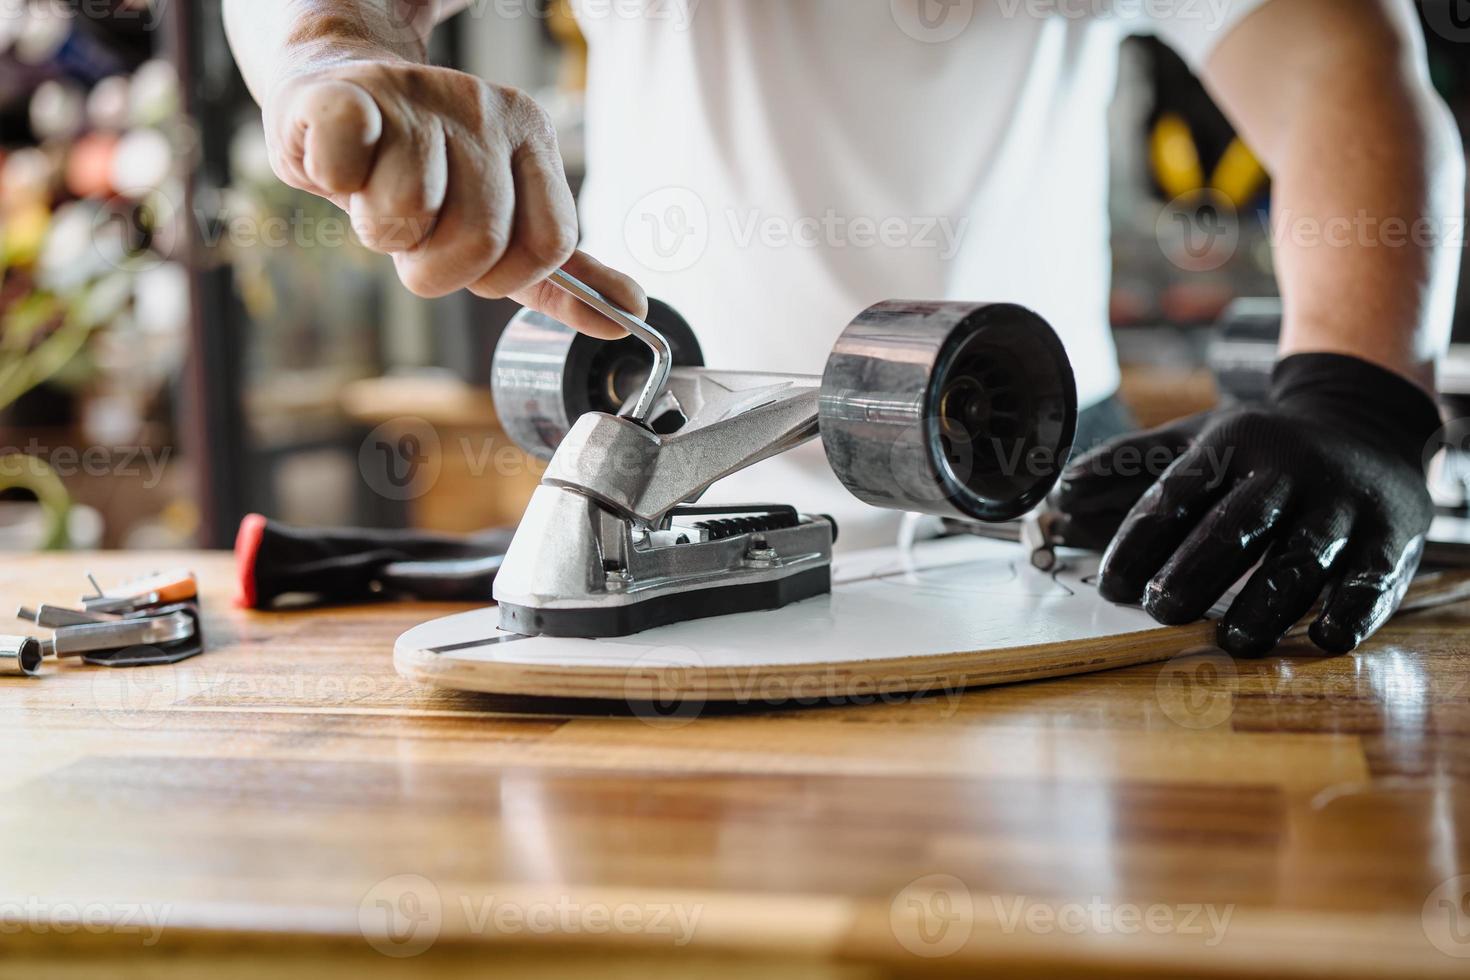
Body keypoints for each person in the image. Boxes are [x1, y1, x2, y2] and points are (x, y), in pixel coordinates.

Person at [224, 0, 1463, 655]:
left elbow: (1337, 64)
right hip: (656, 492)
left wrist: (1358, 394)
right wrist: (330, 49)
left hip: (1041, 509)